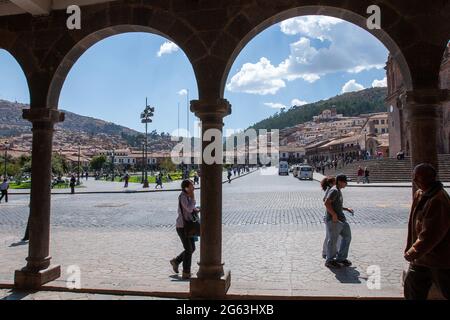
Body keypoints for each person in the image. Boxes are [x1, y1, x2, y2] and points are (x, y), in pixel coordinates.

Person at [403, 163, 450, 300]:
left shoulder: (438, 200)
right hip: (422, 259)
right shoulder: (421, 193)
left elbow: (430, 234)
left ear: (430, 179)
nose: (415, 181)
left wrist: (413, 251)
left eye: (418, 178)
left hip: (437, 258)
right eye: (414, 177)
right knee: (412, 287)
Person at [170, 179, 200, 280]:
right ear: (186, 188)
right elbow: (189, 208)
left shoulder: (187, 196)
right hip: (182, 227)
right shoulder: (183, 196)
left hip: (188, 226)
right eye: (192, 185)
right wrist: (193, 197)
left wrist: (197, 209)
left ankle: (176, 261)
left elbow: (191, 209)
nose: (194, 187)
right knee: (189, 249)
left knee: (192, 248)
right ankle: (186, 272)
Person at [324, 174, 354, 269]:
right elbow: (326, 203)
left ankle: (341, 258)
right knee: (333, 240)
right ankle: (330, 260)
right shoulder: (334, 191)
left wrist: (346, 208)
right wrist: (333, 215)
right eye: (345, 182)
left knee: (347, 237)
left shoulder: (338, 190)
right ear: (340, 181)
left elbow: (336, 204)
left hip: (341, 219)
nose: (346, 184)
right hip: (334, 220)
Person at [321, 176, 337, 259]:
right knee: (329, 236)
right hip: (328, 216)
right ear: (331, 183)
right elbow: (324, 200)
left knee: (330, 235)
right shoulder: (330, 189)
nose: (336, 182)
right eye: (335, 181)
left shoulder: (330, 189)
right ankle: (325, 252)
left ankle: (328, 251)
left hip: (328, 215)